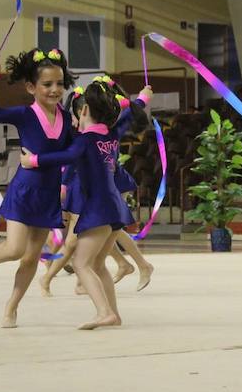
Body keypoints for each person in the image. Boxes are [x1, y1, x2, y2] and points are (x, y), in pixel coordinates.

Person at [21, 77, 150, 329]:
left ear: (84, 110)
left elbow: (64, 156)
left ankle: (104, 312)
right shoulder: (113, 133)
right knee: (98, 263)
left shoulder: (83, 140)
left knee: (81, 263)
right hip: (115, 207)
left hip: (97, 208)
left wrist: (33, 160)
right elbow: (130, 111)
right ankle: (113, 313)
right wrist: (143, 97)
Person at [0, 48, 75, 329]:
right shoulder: (26, 115)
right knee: (15, 249)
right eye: (47, 84)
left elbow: (73, 153)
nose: (55, 90)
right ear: (31, 87)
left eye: (60, 84)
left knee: (30, 258)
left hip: (48, 196)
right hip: (24, 191)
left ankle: (11, 308)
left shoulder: (67, 120)